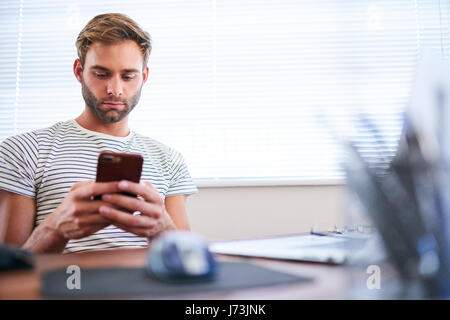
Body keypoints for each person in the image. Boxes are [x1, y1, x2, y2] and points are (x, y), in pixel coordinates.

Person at [0, 13, 198, 254]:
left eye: (128, 76)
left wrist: (163, 230)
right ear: (78, 71)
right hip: (65, 288)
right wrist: (55, 228)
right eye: (101, 74)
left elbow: (189, 266)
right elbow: (9, 275)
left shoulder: (169, 160)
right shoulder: (22, 151)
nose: (115, 90)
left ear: (144, 77)